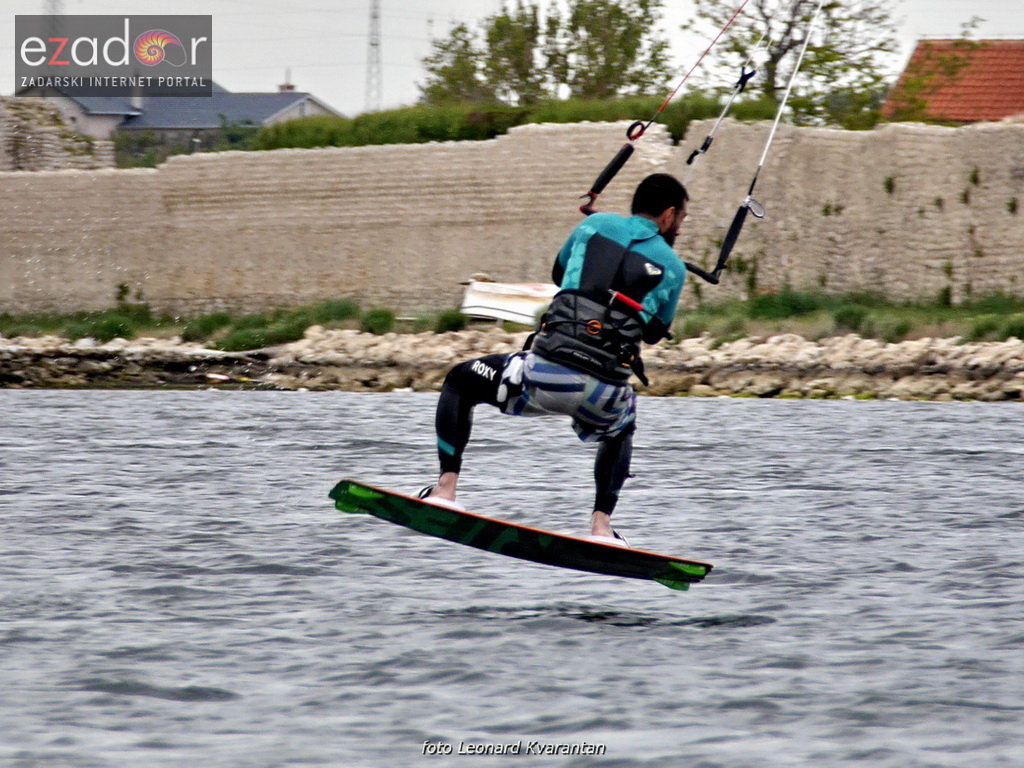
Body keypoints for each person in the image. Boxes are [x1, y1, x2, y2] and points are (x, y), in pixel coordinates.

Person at [422, 173, 689, 544]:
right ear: (669, 215)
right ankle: (601, 527)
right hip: (604, 397)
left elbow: (560, 273)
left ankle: (445, 490)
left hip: (543, 377)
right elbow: (654, 333)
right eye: (682, 219)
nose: (680, 227)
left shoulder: (593, 225)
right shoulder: (674, 267)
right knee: (622, 426)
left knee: (459, 380)